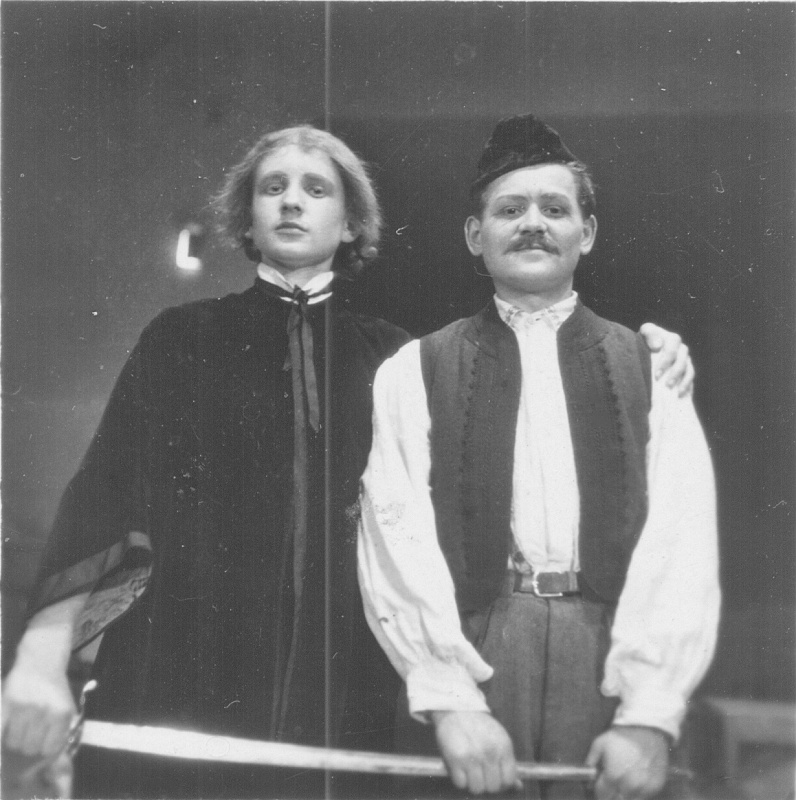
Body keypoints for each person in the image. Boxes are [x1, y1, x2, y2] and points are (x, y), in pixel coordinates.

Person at [2, 122, 690, 800]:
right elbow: (104, 496)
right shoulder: (182, 338)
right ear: (248, 216)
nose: (291, 202)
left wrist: (654, 351)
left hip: (347, 689)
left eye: (315, 189)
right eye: (273, 187)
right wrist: (39, 659)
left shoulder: (399, 360)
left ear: (352, 221)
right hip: (188, 674)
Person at [357, 114, 720, 800]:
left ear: (587, 232)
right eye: (509, 209)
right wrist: (451, 702)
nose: (533, 224)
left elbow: (684, 541)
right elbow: (393, 533)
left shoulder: (650, 367)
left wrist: (649, 716)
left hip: (610, 661)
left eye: (555, 209)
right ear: (475, 235)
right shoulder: (415, 370)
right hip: (478, 656)